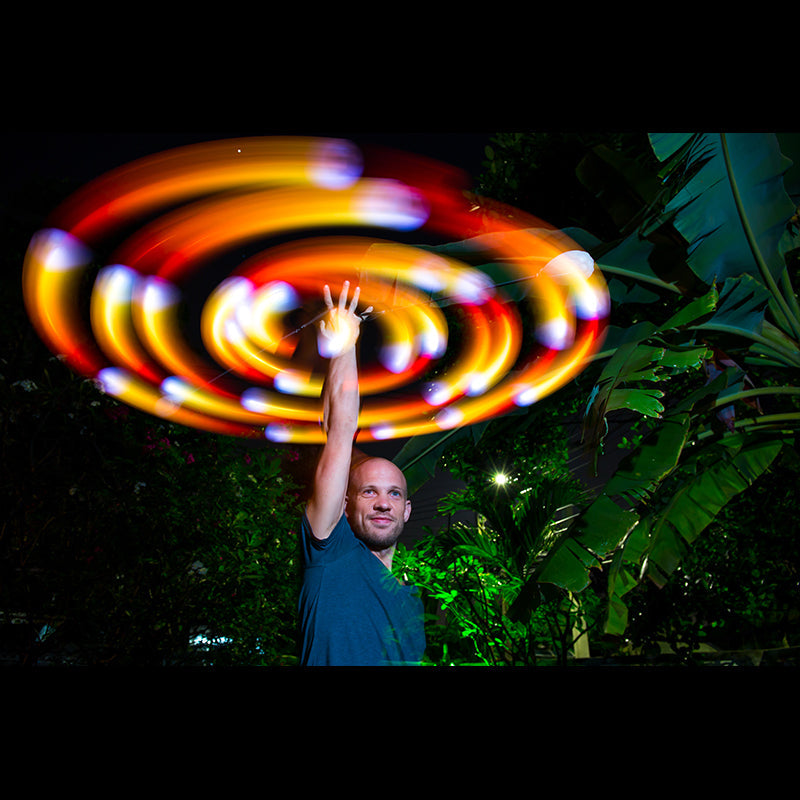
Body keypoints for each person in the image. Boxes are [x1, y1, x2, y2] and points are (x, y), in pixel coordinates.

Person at [297, 281, 426, 666]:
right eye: (369, 492)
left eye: (394, 494)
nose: (383, 502)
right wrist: (344, 346)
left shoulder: (412, 598)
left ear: (406, 510)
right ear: (346, 503)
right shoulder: (329, 552)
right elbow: (338, 431)